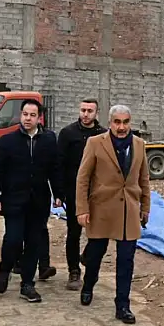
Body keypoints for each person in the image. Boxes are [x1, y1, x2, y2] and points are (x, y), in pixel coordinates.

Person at [75, 104, 151, 324]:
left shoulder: (139, 145)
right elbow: (83, 178)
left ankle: (123, 305)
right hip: (102, 210)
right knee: (95, 254)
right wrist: (82, 209)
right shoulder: (95, 143)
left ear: (130, 122)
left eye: (125, 122)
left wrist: (145, 207)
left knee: (126, 260)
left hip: (129, 212)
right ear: (110, 123)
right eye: (117, 122)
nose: (121, 127)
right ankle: (89, 284)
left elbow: (143, 179)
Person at [0, 99, 59, 302]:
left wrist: (59, 194)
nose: (28, 118)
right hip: (13, 200)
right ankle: (5, 268)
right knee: (13, 239)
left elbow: (54, 168)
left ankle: (27, 283)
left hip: (38, 201)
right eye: (25, 114)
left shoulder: (48, 140)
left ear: (39, 117)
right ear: (21, 115)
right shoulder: (8, 141)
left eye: (32, 115)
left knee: (33, 243)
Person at [55, 97, 105, 290]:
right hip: (74, 191)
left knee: (99, 233)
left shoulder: (103, 135)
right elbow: (59, 164)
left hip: (98, 193)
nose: (85, 114)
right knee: (73, 233)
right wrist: (59, 193)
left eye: (90, 111)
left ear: (96, 113)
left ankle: (87, 256)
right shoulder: (68, 133)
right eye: (83, 110)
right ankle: (73, 271)